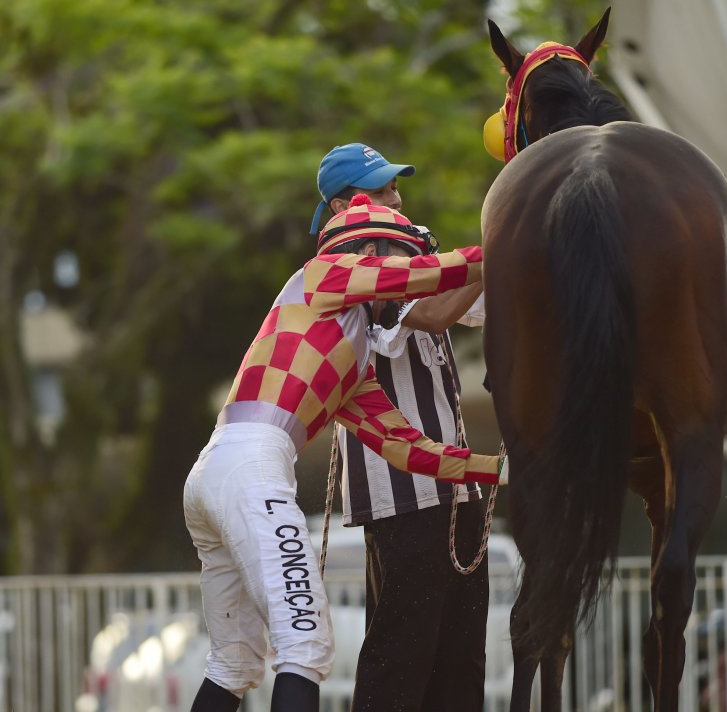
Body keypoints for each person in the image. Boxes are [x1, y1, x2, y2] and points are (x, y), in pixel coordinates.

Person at [183, 195, 499, 712]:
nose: (409, 273)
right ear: (369, 253)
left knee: (234, 664)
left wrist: (497, 470)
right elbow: (430, 273)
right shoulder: (325, 273)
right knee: (305, 648)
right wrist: (505, 243)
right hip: (252, 469)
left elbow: (410, 450)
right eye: (401, 255)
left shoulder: (353, 357)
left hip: (216, 471)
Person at [313, 143, 489, 711]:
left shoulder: (409, 256)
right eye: (383, 189)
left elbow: (473, 306)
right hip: (402, 494)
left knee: (461, 660)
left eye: (395, 187)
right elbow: (436, 313)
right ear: (344, 207)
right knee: (402, 655)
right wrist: (497, 248)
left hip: (455, 487)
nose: (397, 198)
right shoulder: (355, 268)